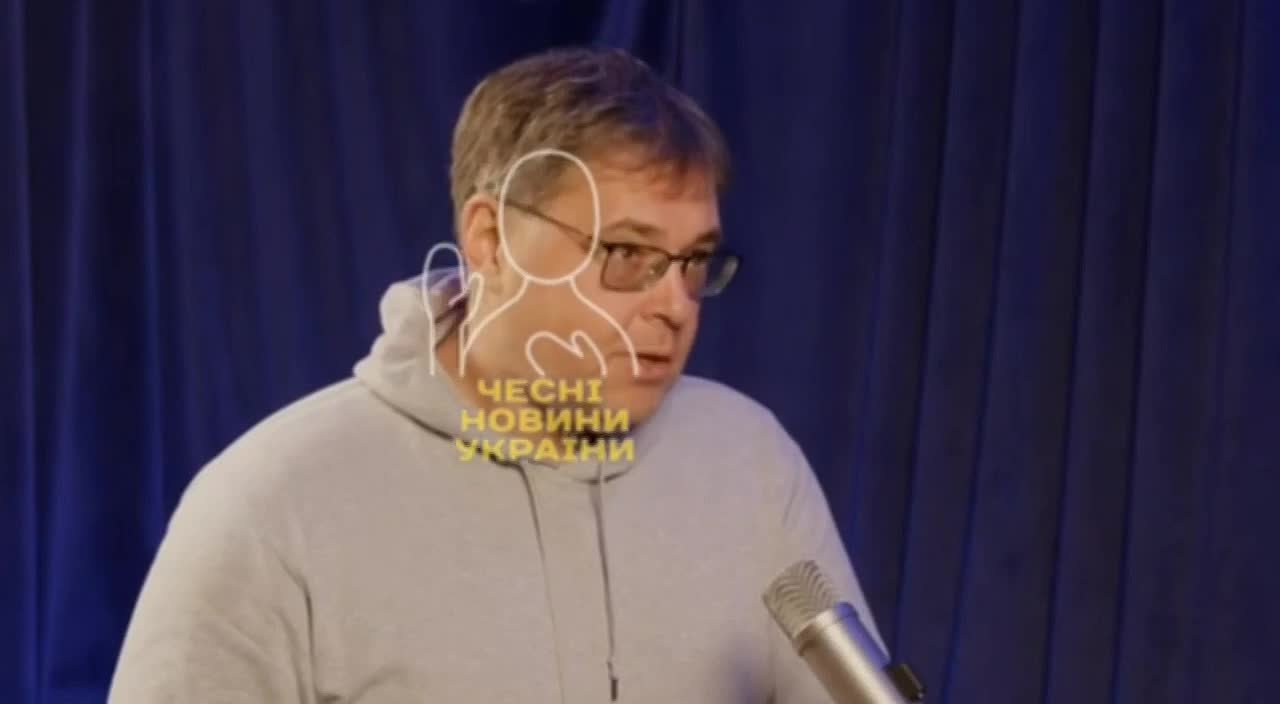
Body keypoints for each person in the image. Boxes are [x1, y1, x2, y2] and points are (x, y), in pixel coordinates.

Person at [109, 46, 886, 703]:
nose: (674, 304)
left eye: (692, 262)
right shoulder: (270, 503)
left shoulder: (749, 462)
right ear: (489, 240)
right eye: (628, 254)